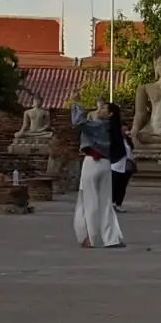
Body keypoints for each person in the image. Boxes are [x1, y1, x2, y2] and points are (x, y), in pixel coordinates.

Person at [69, 103, 125, 249]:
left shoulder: (97, 125)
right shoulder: (114, 129)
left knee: (88, 201)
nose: (98, 111)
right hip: (106, 164)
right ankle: (111, 239)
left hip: (92, 163)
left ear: (110, 114)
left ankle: (90, 238)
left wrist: (77, 105)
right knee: (105, 203)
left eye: (103, 109)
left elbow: (77, 122)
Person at [106, 102, 135, 210]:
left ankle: (118, 203)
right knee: (114, 184)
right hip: (116, 163)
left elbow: (132, 148)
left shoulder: (126, 140)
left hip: (127, 164)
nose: (125, 130)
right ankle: (111, 202)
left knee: (122, 185)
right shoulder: (114, 136)